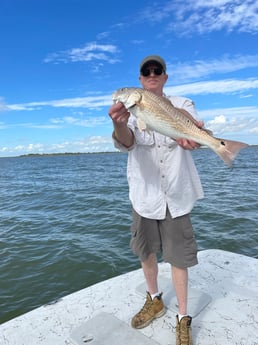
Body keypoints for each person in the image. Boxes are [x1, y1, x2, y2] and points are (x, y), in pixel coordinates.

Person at [108, 55, 204, 345]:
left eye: (157, 70)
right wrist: (119, 124)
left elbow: (192, 131)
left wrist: (196, 137)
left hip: (176, 193)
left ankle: (183, 317)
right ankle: (154, 299)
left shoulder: (183, 103)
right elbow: (127, 142)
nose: (151, 73)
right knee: (145, 251)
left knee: (178, 257)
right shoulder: (132, 110)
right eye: (145, 71)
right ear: (139, 81)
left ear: (164, 76)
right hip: (144, 195)